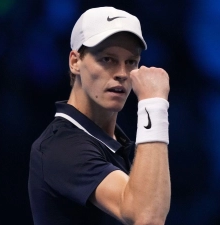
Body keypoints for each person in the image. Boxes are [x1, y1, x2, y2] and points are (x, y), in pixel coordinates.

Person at [28, 6, 171, 225]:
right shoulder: (61, 146)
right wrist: (153, 104)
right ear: (75, 62)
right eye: (107, 59)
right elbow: (147, 217)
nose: (122, 74)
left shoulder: (121, 144)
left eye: (131, 61)